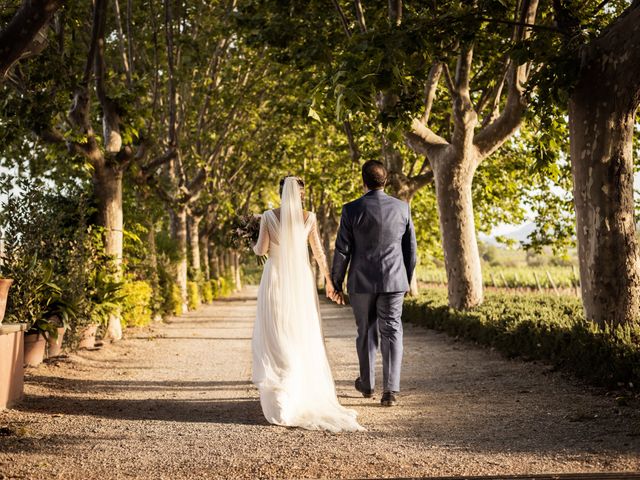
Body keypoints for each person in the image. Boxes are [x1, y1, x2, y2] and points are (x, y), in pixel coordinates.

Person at [251, 176, 364, 432]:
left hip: (276, 278)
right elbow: (319, 253)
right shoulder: (309, 217)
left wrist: (251, 237)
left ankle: (281, 396)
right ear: (301, 194)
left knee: (276, 333)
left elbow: (260, 250)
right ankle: (297, 390)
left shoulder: (268, 216)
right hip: (300, 280)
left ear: (280, 193)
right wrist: (330, 281)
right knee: (300, 332)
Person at [330, 160, 417, 407]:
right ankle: (391, 390)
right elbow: (411, 250)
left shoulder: (351, 209)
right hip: (394, 280)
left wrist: (336, 281)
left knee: (366, 331)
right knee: (392, 330)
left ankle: (367, 385)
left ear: (363, 181)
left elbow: (342, 250)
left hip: (361, 281)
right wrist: (405, 280)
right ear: (385, 181)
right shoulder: (403, 208)